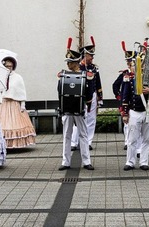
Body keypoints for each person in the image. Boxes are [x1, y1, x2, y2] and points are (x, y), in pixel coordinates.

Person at [121, 41, 149, 171]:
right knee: (132, 139)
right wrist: (124, 113)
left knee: (147, 139)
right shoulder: (129, 78)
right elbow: (125, 96)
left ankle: (144, 162)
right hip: (134, 111)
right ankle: (130, 161)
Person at [58, 38, 94, 171]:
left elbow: (90, 91)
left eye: (71, 62)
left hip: (79, 108)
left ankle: (86, 161)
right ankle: (65, 161)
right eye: (68, 62)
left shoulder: (85, 75)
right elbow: (60, 90)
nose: (68, 65)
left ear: (77, 62)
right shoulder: (63, 75)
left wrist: (88, 105)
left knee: (83, 134)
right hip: (67, 109)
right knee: (67, 135)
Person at [0, 56, 36, 149]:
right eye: (6, 66)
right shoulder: (0, 78)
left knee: (15, 124)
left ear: (13, 67)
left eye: (10, 66)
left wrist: (22, 105)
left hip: (14, 104)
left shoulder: (17, 77)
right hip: (3, 104)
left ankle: (16, 144)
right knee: (3, 124)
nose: (8, 68)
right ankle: (3, 144)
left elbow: (21, 91)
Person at [71, 37, 103, 151]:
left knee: (91, 119)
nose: (92, 58)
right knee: (76, 119)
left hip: (92, 96)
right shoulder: (78, 67)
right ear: (85, 55)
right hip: (80, 96)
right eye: (91, 55)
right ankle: (74, 142)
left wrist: (100, 97)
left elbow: (98, 83)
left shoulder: (94, 68)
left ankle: (88, 142)